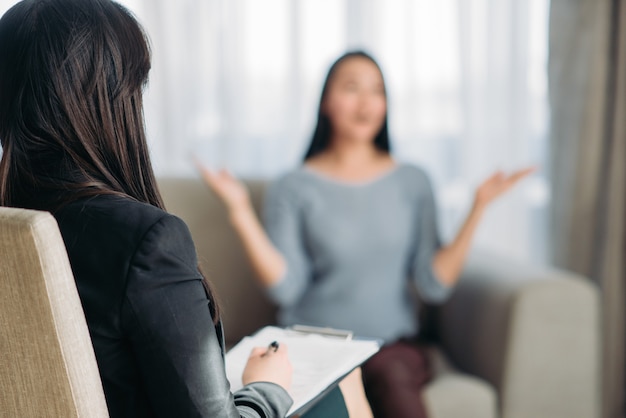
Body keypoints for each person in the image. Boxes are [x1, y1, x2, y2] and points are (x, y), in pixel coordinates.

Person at [0, 1, 352, 417]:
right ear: (115, 98)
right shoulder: (146, 240)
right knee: (339, 391)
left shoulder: (15, 222)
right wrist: (266, 388)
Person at [198, 51, 534, 418]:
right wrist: (240, 211)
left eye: (376, 90)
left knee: (390, 375)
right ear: (326, 101)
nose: (365, 102)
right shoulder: (293, 186)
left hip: (391, 348)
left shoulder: (413, 182)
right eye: (351, 88)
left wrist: (478, 207)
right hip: (313, 343)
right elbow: (286, 287)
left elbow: (433, 284)